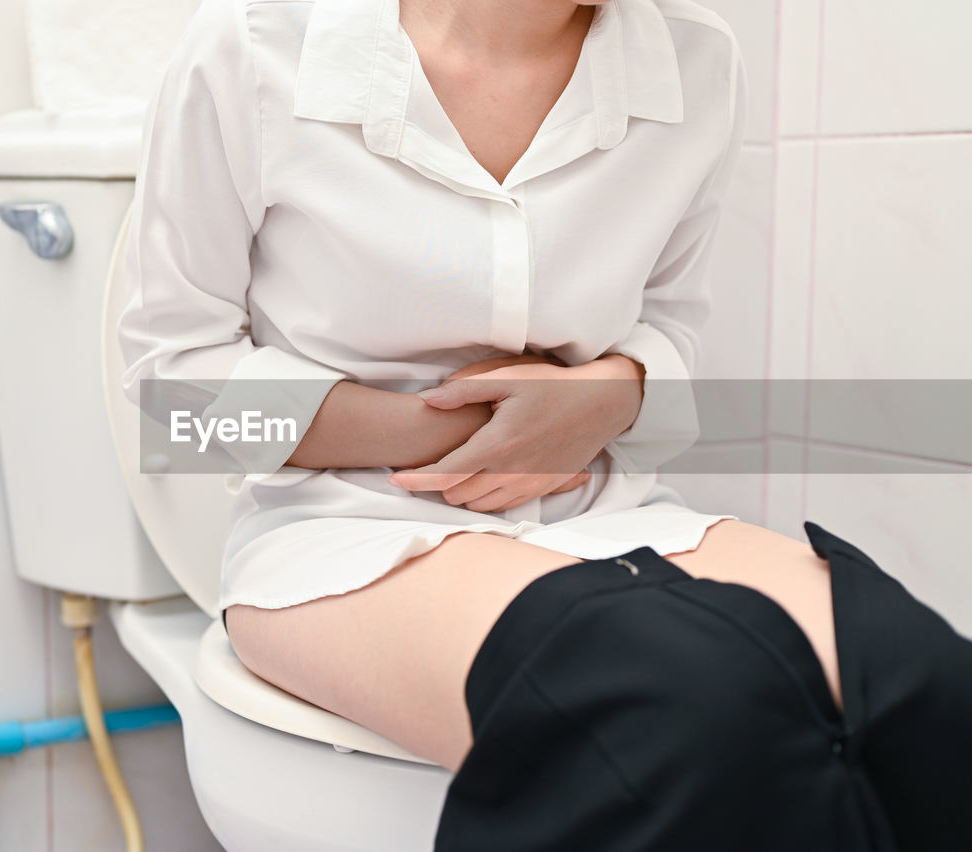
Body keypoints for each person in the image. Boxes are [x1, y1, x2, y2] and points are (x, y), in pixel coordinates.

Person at [116, 0, 972, 847]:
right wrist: (451, 429)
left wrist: (615, 395)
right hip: (342, 535)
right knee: (677, 707)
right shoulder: (257, 43)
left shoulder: (695, 58)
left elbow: (669, 331)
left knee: (918, 686)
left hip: (601, 508)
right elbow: (167, 397)